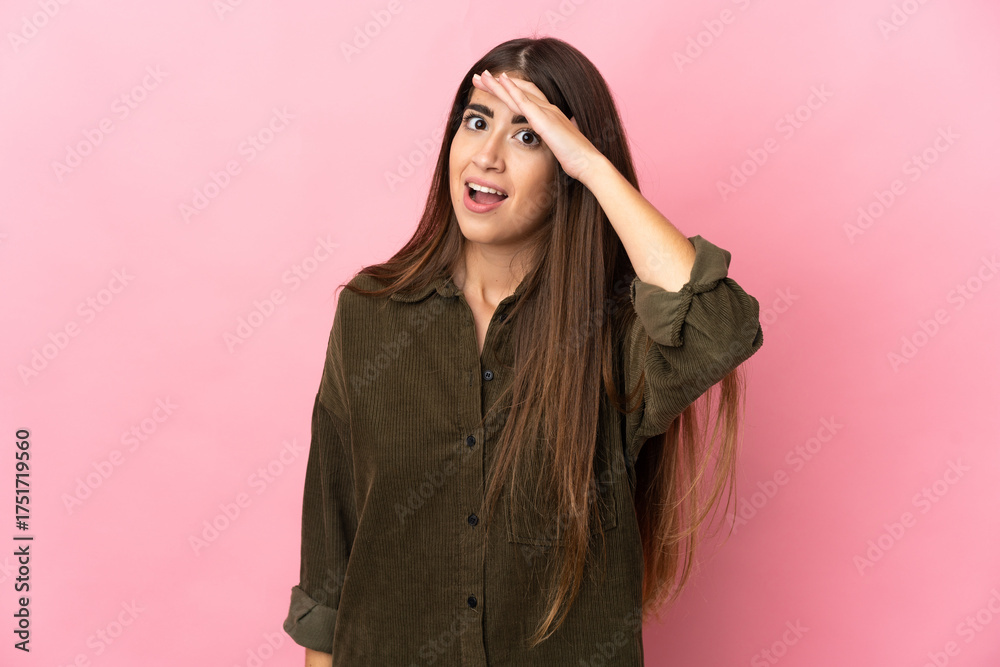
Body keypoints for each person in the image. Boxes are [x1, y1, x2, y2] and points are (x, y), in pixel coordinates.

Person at [283, 36, 763, 666]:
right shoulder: (370, 312)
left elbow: (719, 328)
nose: (487, 156)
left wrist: (593, 167)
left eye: (528, 136)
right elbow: (331, 544)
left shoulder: (615, 329)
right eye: (476, 122)